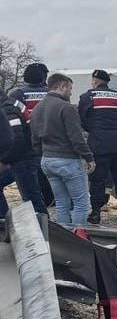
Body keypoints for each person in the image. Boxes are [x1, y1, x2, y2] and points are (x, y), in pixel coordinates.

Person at [30, 74, 94, 225]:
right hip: (67, 160)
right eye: (69, 88)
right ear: (61, 86)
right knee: (81, 204)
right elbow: (76, 138)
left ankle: (63, 236)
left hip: (47, 160)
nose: (71, 93)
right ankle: (78, 237)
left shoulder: (37, 108)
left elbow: (34, 138)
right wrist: (89, 157)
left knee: (61, 203)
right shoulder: (66, 108)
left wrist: (42, 154)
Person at [78, 69, 117, 224]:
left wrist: (94, 130)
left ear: (95, 81)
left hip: (99, 144)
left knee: (98, 178)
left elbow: (83, 120)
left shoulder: (87, 97)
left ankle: (96, 212)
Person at [0, 67, 50, 218]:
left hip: (22, 158)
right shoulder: (13, 101)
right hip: (32, 151)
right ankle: (4, 220)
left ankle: (44, 227)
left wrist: (3, 160)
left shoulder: (9, 106)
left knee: (32, 198)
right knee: (33, 195)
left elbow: (15, 139)